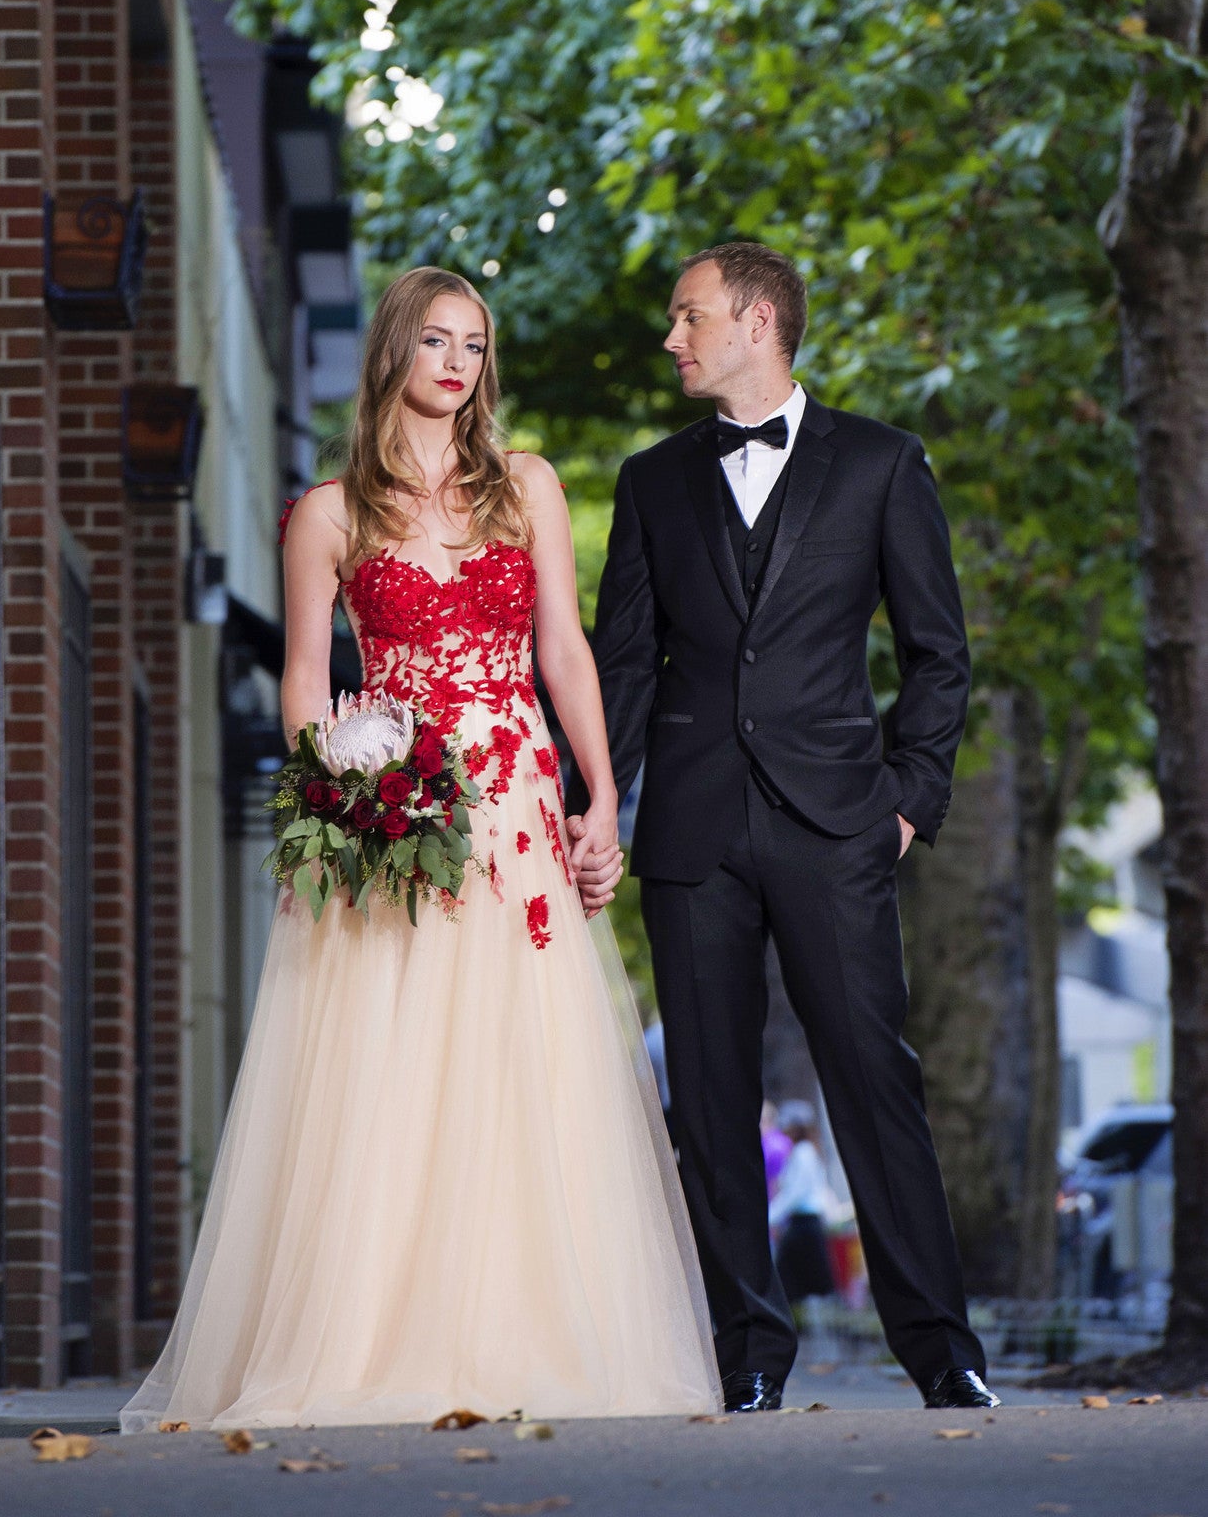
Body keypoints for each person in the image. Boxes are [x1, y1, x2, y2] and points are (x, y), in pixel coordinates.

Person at [121, 267, 719, 1430]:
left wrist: (604, 795)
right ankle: (371, 1337)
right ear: (394, 348)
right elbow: (303, 671)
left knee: (523, 1059)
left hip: (515, 793)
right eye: (438, 339)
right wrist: (332, 788)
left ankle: (530, 1333)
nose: (459, 362)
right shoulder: (328, 510)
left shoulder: (528, 485)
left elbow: (566, 652)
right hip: (395, 796)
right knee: (386, 1063)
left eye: (477, 345)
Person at [567, 240, 997, 1413]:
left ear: (756, 321)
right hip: (691, 831)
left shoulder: (881, 462)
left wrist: (908, 802)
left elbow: (936, 655)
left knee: (873, 1079)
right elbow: (621, 668)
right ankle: (746, 1355)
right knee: (707, 1102)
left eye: (687, 315)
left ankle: (941, 1348)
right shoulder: (651, 479)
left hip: (837, 823)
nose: (672, 337)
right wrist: (590, 803)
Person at [767, 1103, 839, 1306]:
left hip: (804, 1226)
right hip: (804, 1226)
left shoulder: (803, 1153)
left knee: (787, 1282)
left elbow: (795, 1193)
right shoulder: (804, 1152)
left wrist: (770, 1216)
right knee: (802, 1282)